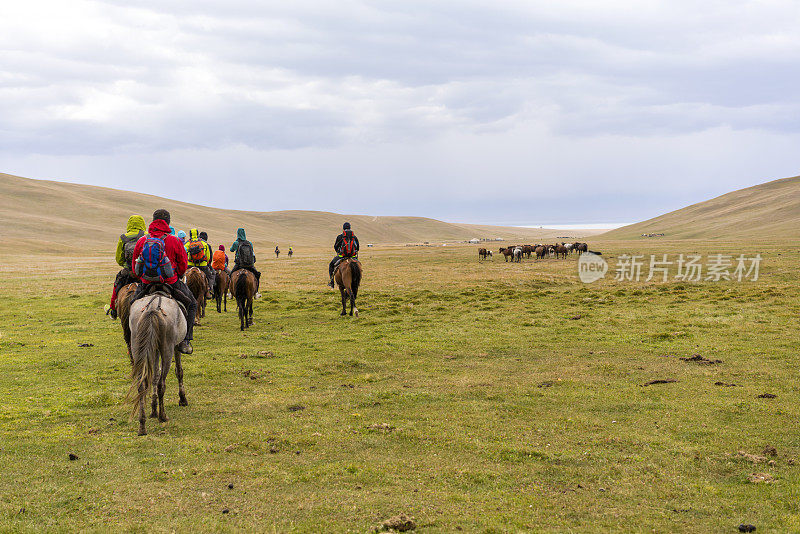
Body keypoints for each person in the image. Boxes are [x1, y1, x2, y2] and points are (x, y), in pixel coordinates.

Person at [129, 209, 196, 354]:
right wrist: (175, 275)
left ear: (152, 221)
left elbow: (135, 268)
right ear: (169, 222)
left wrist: (143, 277)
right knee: (192, 304)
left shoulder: (142, 240)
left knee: (131, 306)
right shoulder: (174, 240)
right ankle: (185, 341)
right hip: (170, 282)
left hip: (146, 283)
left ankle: (131, 340)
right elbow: (183, 264)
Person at [106, 215, 146, 319]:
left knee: (117, 284)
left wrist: (126, 266)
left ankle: (113, 309)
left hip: (129, 271)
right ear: (143, 223)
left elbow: (119, 258)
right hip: (143, 272)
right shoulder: (147, 236)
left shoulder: (123, 237)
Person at [328, 222, 359, 288]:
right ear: (350, 228)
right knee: (358, 267)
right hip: (353, 256)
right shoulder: (354, 237)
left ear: (343, 228)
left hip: (342, 256)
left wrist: (339, 253)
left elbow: (335, 246)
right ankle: (357, 281)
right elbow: (357, 247)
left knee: (331, 265)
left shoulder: (340, 237)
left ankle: (331, 282)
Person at [186, 228, 215, 298]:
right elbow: (208, 256)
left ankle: (183, 290)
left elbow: (184, 254)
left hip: (190, 265)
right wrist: (206, 263)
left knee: (182, 276)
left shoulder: (187, 243)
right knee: (210, 277)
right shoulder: (204, 243)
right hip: (202, 265)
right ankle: (209, 290)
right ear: (197, 234)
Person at [230, 228, 261, 292]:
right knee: (257, 275)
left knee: (231, 275)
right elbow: (252, 253)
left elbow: (231, 250)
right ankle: (256, 292)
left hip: (239, 264)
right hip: (249, 265)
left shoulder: (236, 243)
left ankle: (231, 292)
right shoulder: (249, 243)